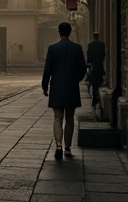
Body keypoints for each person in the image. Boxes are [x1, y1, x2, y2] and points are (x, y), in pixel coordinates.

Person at [42, 21, 87, 160]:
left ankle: (58, 146)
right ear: (70, 32)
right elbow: (83, 68)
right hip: (71, 87)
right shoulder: (77, 48)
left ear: (59, 32)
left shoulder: (53, 48)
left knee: (57, 117)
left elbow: (47, 69)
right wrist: (77, 79)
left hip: (57, 87)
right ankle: (67, 147)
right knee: (69, 118)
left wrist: (45, 86)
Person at [86, 31, 106, 107]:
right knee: (99, 81)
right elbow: (103, 55)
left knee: (94, 83)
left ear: (93, 37)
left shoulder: (90, 45)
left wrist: (88, 64)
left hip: (93, 66)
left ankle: (95, 98)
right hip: (100, 66)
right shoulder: (102, 45)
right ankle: (97, 97)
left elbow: (89, 56)